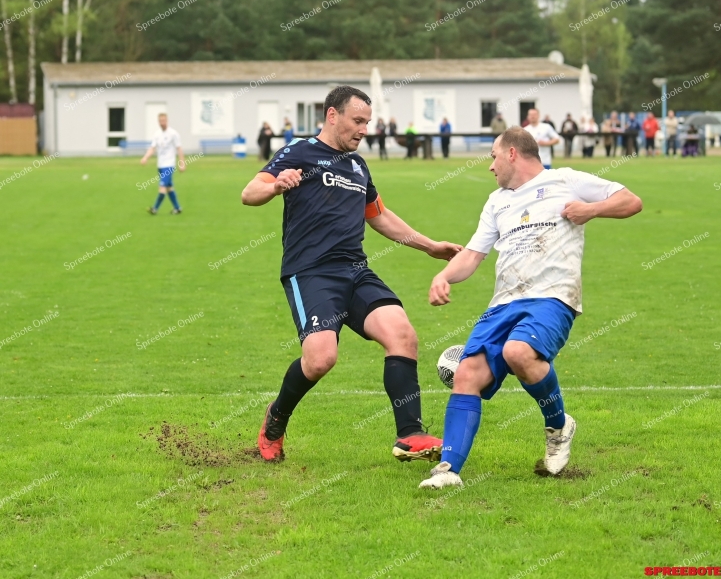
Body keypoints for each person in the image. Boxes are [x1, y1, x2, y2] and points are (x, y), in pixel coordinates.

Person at [241, 86, 462, 464]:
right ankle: (275, 419)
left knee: (403, 335)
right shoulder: (300, 151)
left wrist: (429, 246)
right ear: (332, 115)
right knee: (321, 360)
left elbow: (380, 216)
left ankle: (410, 434)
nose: (363, 130)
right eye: (357, 121)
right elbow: (250, 191)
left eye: (367, 123)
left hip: (355, 270)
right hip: (310, 272)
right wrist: (277, 185)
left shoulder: (358, 166)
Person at [418, 126, 643, 489]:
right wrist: (444, 276)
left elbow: (632, 201)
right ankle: (449, 470)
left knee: (518, 352)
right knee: (467, 373)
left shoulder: (565, 180)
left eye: (493, 156)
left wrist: (592, 209)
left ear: (511, 154)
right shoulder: (496, 202)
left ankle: (558, 426)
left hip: (553, 296)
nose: (490, 166)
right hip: (504, 301)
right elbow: (473, 255)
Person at [142, 113, 186, 215]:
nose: (162, 123)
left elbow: (179, 148)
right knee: (168, 187)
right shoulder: (157, 134)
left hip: (169, 165)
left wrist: (182, 163)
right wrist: (145, 158)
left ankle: (155, 208)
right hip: (161, 165)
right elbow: (152, 148)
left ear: (167, 121)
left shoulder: (173, 134)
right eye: (160, 121)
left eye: (164, 121)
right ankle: (177, 208)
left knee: (162, 187)